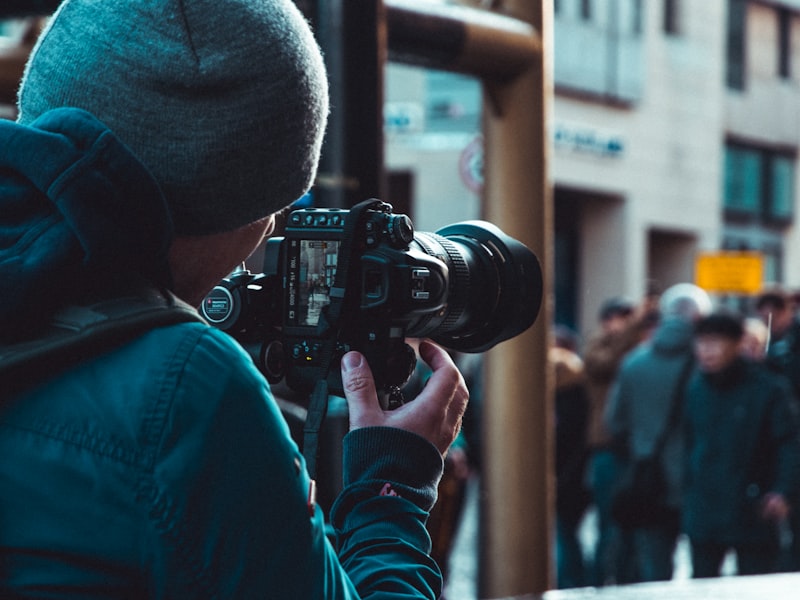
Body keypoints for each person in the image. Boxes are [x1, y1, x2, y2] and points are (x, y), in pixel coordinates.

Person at [0, 1, 469, 598]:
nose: (269, 231)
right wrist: (392, 491)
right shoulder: (187, 387)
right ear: (226, 200)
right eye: (272, 206)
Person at [604, 282, 712, 582]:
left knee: (655, 568)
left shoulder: (634, 362)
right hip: (696, 479)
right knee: (706, 571)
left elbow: (614, 422)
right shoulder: (705, 365)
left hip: (648, 478)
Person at [683, 310, 800, 578]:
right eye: (701, 343)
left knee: (754, 585)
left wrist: (782, 490)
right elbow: (689, 444)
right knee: (702, 588)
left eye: (715, 343)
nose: (706, 351)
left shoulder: (768, 388)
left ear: (736, 345)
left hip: (754, 506)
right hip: (706, 509)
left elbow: (788, 443)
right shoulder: (697, 388)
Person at [583, 295, 655, 585]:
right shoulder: (598, 347)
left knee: (637, 529)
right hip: (608, 449)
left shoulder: (637, 348)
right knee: (609, 528)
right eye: (619, 318)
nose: (624, 325)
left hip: (637, 449)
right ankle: (600, 585)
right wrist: (635, 324)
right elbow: (606, 363)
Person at [551, 325, 591, 589]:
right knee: (568, 535)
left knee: (565, 536)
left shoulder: (565, 397)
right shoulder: (580, 390)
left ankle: (570, 582)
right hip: (573, 478)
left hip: (565, 479)